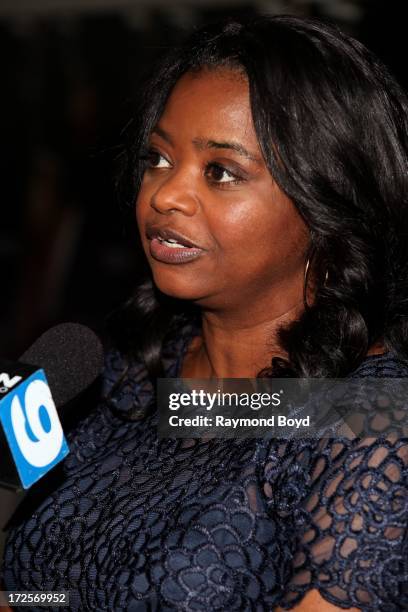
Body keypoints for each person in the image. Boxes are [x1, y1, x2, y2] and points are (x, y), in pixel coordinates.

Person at [2, 14, 408, 611]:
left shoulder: (370, 428)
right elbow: (58, 594)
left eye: (221, 172)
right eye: (159, 159)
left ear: (328, 205)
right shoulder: (119, 375)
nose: (165, 194)